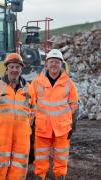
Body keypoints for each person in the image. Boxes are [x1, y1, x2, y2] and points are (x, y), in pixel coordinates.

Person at [0, 53, 36, 180]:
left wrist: (23, 125)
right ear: (7, 68)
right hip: (1, 136)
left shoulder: (29, 89)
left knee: (19, 167)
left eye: (17, 67)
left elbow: (33, 111)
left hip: (22, 137)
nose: (14, 70)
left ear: (21, 69)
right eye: (12, 67)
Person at [31, 49, 79, 180]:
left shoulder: (69, 83)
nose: (54, 65)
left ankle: (60, 177)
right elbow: (31, 102)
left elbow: (74, 104)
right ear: (46, 63)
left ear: (61, 64)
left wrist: (66, 119)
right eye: (51, 62)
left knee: (61, 158)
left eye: (57, 62)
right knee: (40, 158)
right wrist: (34, 121)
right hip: (42, 128)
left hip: (62, 129)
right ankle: (39, 177)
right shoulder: (36, 82)